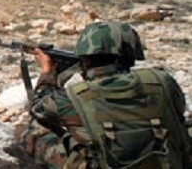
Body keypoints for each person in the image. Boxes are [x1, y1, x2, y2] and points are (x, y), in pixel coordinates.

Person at [18, 21, 191, 168]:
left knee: (35, 135)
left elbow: (38, 109)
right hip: (165, 162)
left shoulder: (73, 97)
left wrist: (48, 72)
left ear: (85, 59)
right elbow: (179, 111)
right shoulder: (162, 81)